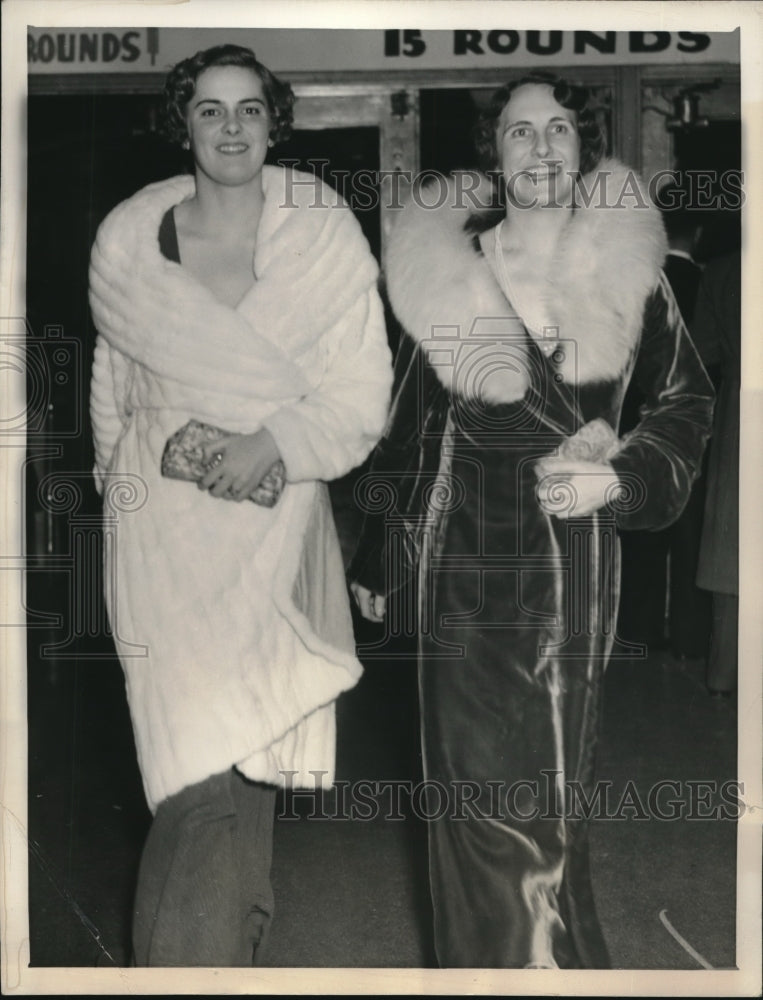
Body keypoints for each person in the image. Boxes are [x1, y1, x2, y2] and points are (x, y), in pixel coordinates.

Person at [349, 73, 714, 968]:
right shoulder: (444, 273)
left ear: (583, 147)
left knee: (546, 811)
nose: (541, 148)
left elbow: (684, 404)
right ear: (494, 151)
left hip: (569, 557)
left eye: (559, 130)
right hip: (461, 561)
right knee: (470, 810)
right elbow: (406, 428)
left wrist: (616, 480)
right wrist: (375, 558)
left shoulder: (637, 274)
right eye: (520, 132)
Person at [88, 44, 392, 966]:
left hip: (273, 525)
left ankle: (230, 965)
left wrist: (272, 445)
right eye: (211, 110)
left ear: (273, 121)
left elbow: (361, 393)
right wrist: (139, 486)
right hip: (162, 544)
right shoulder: (128, 244)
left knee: (251, 762)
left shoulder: (322, 233)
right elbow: (114, 394)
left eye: (249, 110)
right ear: (182, 124)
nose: (230, 128)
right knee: (189, 777)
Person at [617, 188, 712, 659]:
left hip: (637, 428)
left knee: (642, 534)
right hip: (695, 433)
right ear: (698, 233)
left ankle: (637, 629)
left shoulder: (635, 286)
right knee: (693, 535)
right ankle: (694, 637)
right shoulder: (712, 283)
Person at [691, 250, 741, 695]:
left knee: (734, 551)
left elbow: (700, 352)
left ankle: (726, 674)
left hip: (741, 415)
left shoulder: (724, 268)